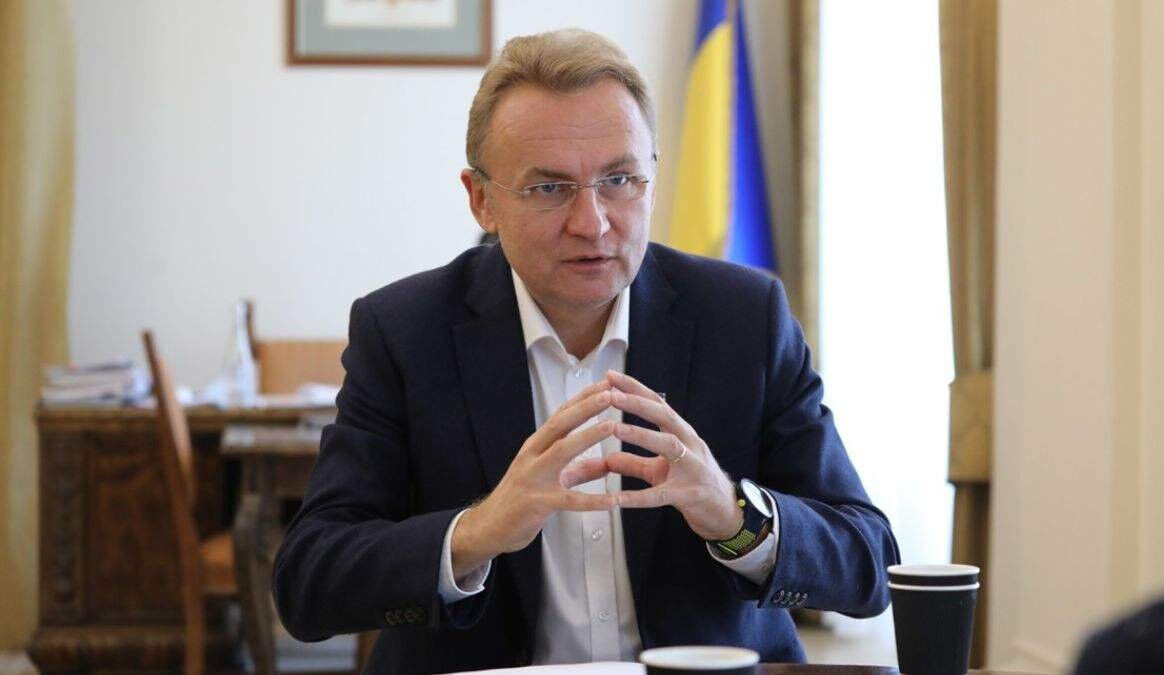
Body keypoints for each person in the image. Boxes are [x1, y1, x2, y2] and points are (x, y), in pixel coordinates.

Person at [273, 28, 899, 674]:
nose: (592, 223)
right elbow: (309, 581)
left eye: (619, 179)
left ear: (652, 178)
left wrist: (732, 512)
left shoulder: (744, 319)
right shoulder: (404, 332)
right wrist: (477, 532)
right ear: (482, 200)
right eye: (549, 189)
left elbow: (870, 563)